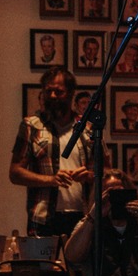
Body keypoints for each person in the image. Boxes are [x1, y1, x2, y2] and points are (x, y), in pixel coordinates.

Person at [9, 67, 94, 238]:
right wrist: (51, 180)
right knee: (43, 257)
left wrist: (88, 175)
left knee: (79, 257)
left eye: (59, 91)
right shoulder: (31, 126)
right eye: (48, 91)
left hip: (82, 216)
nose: (53, 96)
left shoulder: (87, 128)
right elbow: (15, 172)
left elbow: (106, 171)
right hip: (43, 217)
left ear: (71, 93)